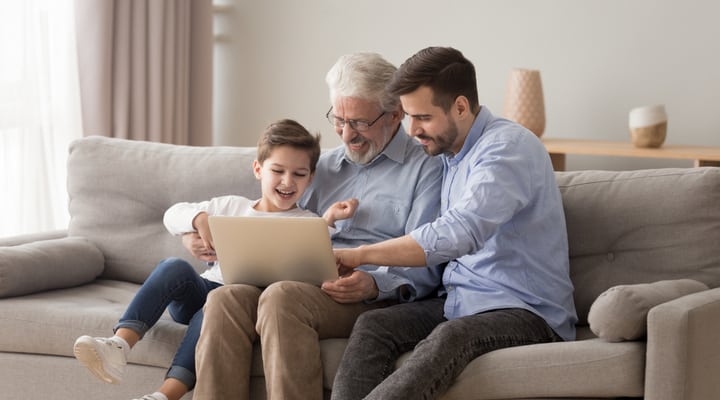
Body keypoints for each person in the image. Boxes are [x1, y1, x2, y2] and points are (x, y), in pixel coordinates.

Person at [189, 52, 444, 400]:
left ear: (396, 114)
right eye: (338, 120)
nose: (346, 134)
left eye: (359, 122)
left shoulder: (426, 168)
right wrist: (208, 240)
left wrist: (373, 284)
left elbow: (427, 257)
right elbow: (273, 225)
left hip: (368, 297)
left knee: (283, 298)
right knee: (225, 298)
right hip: (302, 281)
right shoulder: (321, 167)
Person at [331, 46, 578, 400]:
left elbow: (458, 232)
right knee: (374, 325)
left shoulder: (507, 149)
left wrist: (360, 254)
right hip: (460, 302)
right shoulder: (450, 155)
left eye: (422, 117)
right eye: (408, 117)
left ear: (460, 107)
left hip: (527, 313)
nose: (412, 130)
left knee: (450, 337)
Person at [72, 119, 358, 400]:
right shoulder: (230, 206)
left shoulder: (308, 222)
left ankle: (163, 395)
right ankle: (119, 344)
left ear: (310, 178)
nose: (287, 181)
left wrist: (328, 222)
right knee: (174, 267)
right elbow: (172, 215)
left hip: (242, 307)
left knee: (214, 311)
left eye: (298, 174)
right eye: (278, 170)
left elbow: (317, 266)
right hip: (205, 289)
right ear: (258, 169)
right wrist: (198, 220)